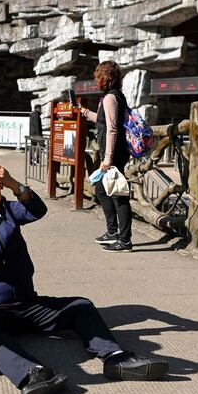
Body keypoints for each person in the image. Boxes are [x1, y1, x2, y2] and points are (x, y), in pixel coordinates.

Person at [0, 166, 168, 394]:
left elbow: (37, 210)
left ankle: (115, 358)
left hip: (28, 304)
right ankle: (32, 375)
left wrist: (13, 184)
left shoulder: (5, 209)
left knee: (81, 306)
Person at [79, 61, 133, 252]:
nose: (96, 80)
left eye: (98, 76)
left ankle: (124, 240)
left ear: (106, 77)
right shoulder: (113, 96)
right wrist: (84, 112)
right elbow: (103, 121)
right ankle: (113, 232)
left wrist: (108, 158)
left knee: (118, 195)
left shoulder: (110, 98)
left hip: (114, 154)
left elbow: (112, 129)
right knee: (102, 190)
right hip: (114, 152)